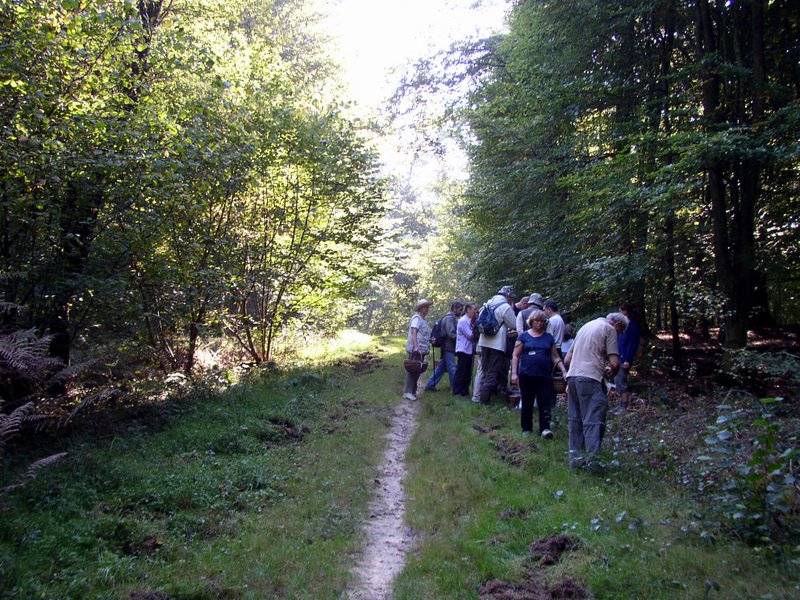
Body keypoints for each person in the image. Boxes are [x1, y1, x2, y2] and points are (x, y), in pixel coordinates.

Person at [564, 312, 629, 468]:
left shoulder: (585, 327)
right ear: (618, 325)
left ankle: (576, 462)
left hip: (572, 378)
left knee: (575, 421)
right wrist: (610, 373)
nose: (618, 334)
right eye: (620, 332)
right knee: (593, 421)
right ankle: (593, 464)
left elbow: (567, 359)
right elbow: (615, 363)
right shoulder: (609, 329)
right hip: (590, 379)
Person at [511, 309, 567, 438]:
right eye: (537, 321)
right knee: (527, 401)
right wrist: (514, 373)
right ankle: (526, 428)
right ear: (531, 321)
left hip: (544, 375)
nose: (539, 323)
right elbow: (515, 355)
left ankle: (545, 428)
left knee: (544, 401)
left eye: (542, 321)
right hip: (526, 374)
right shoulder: (523, 336)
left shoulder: (548, 338)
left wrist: (563, 370)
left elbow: (555, 357)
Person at [477, 285, 518, 404]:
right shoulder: (505, 307)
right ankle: (485, 402)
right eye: (511, 297)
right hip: (497, 344)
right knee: (493, 372)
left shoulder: (487, 304)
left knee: (485, 370)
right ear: (508, 296)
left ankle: (480, 397)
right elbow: (513, 324)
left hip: (484, 341)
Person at [425, 301, 463, 392]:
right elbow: (451, 333)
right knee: (452, 368)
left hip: (446, 347)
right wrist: (460, 339)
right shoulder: (450, 318)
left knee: (441, 368)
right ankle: (455, 389)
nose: (461, 312)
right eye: (460, 310)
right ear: (454, 308)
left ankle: (430, 385)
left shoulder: (448, 317)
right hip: (448, 347)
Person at [613, 303, 642, 414]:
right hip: (619, 356)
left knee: (621, 381)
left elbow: (632, 344)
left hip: (624, 359)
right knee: (617, 381)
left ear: (627, 312)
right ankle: (621, 404)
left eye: (622, 311)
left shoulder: (633, 326)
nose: (620, 313)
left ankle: (624, 406)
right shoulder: (622, 326)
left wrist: (627, 360)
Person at [404, 299, 433, 401]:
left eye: (427, 307)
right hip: (416, 349)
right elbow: (414, 332)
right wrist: (415, 347)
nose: (427, 309)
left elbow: (423, 334)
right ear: (420, 308)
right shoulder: (416, 318)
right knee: (412, 369)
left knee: (417, 370)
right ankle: (408, 392)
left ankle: (412, 391)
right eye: (425, 307)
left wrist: (430, 340)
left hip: (422, 350)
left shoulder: (423, 320)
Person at [453, 302, 477, 396]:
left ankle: (464, 391)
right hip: (463, 349)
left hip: (469, 349)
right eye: (474, 309)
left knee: (468, 372)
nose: (476, 311)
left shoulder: (471, 320)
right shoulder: (463, 321)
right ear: (468, 310)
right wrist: (477, 330)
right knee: (461, 371)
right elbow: (470, 335)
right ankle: (457, 391)